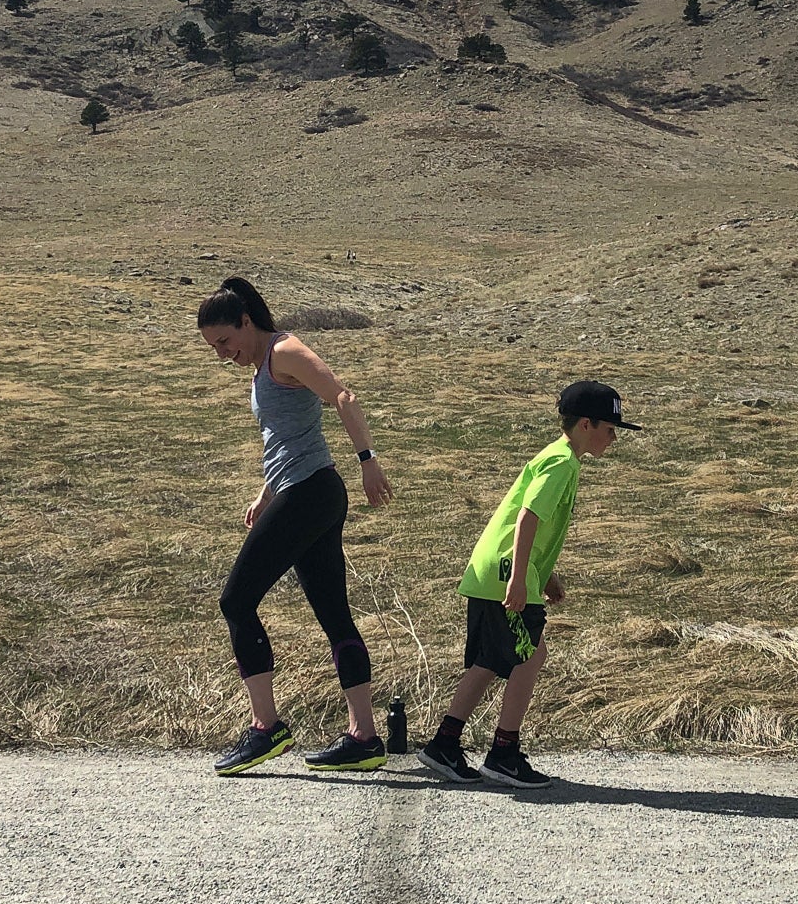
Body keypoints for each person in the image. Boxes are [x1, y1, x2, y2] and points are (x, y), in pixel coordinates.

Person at [196, 276, 394, 775]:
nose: (222, 354)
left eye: (224, 341)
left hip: (312, 493)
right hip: (302, 492)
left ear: (246, 321)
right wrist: (266, 495)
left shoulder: (284, 352)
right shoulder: (263, 364)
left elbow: (344, 397)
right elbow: (284, 438)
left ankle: (266, 729)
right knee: (333, 615)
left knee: (235, 601)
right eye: (213, 348)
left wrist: (368, 460)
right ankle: (364, 738)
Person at [418, 380, 639, 789]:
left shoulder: (557, 458)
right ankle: (503, 753)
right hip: (506, 575)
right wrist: (520, 580)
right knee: (530, 658)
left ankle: (444, 745)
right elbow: (527, 518)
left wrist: (545, 573)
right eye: (611, 428)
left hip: (492, 572)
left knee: (489, 660)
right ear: (586, 424)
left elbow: (531, 526)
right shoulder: (561, 463)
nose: (613, 438)